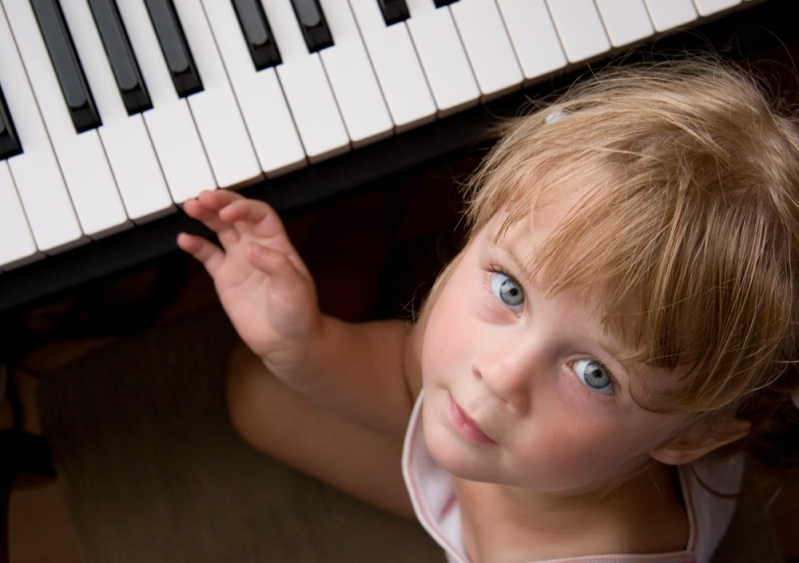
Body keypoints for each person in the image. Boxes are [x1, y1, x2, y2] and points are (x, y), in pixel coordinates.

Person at [177, 59, 799, 563]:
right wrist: (302, 341)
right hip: (514, 480)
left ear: (689, 435)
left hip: (519, 511)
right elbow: (404, 378)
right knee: (261, 388)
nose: (500, 374)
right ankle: (374, 206)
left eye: (596, 374)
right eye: (510, 291)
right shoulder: (490, 372)